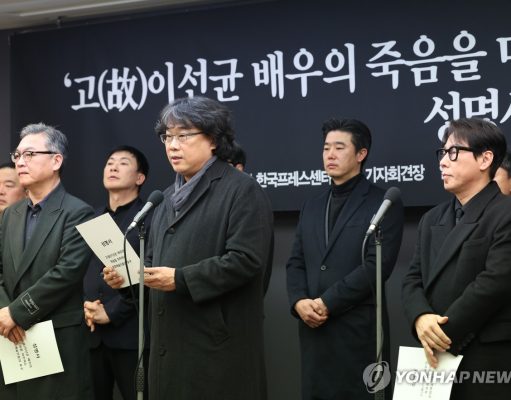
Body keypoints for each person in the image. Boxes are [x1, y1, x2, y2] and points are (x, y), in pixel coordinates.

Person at [103, 96, 274, 400]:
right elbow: (153, 264)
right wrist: (128, 279)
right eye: (167, 137)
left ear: (213, 140)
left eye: (183, 136)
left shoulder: (241, 189)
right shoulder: (165, 197)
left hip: (215, 349)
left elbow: (246, 260)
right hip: (167, 350)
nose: (172, 145)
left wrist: (179, 279)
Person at [286, 118, 404, 399]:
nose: (330, 154)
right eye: (326, 148)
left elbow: (377, 266)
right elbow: (296, 261)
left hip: (357, 332)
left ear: (361, 154)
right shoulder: (312, 205)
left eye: (339, 148)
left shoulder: (383, 203)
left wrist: (328, 302)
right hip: (314, 331)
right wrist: (299, 301)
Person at [402, 118, 511, 399]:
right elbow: (412, 279)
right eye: (442, 153)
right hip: (431, 355)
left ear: (485, 159)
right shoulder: (431, 219)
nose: (442, 162)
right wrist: (420, 318)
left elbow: (494, 283)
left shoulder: (505, 212)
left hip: (484, 357)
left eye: (453, 152)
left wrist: (440, 333)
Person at [0, 123, 94, 399]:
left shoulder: (79, 212)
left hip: (56, 338)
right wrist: (5, 312)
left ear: (56, 161)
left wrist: (16, 313)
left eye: (30, 154)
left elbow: (67, 273)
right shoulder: (11, 214)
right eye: (17, 155)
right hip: (10, 336)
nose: (20, 162)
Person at [83, 145, 150, 400]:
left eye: (123, 163)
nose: (113, 167)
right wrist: (88, 307)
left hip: (131, 336)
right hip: (92, 335)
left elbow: (149, 276)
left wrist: (111, 312)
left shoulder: (149, 218)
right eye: (110, 162)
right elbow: (81, 271)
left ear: (139, 178)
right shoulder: (91, 217)